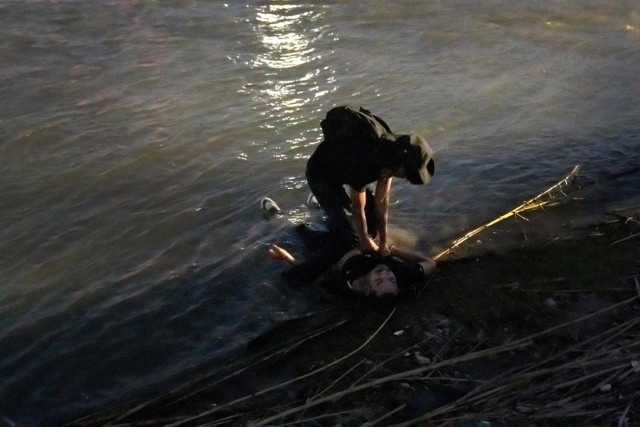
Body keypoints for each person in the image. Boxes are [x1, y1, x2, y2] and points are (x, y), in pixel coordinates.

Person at [303, 105, 435, 279]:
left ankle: (328, 218)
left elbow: (382, 201)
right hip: (322, 175)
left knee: (370, 221)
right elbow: (357, 207)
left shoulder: (393, 148)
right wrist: (364, 240)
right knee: (350, 237)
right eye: (407, 173)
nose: (405, 177)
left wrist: (384, 242)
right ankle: (299, 275)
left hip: (349, 169)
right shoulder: (365, 161)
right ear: (399, 165)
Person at [268, 232, 435, 299]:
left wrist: (285, 258)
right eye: (391, 280)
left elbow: (316, 273)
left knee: (301, 231)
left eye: (378, 281)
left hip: (329, 248)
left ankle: (282, 218)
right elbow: (429, 263)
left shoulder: (348, 287)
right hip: (357, 236)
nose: (384, 273)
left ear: (368, 290)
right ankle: (320, 209)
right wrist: (393, 251)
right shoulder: (403, 274)